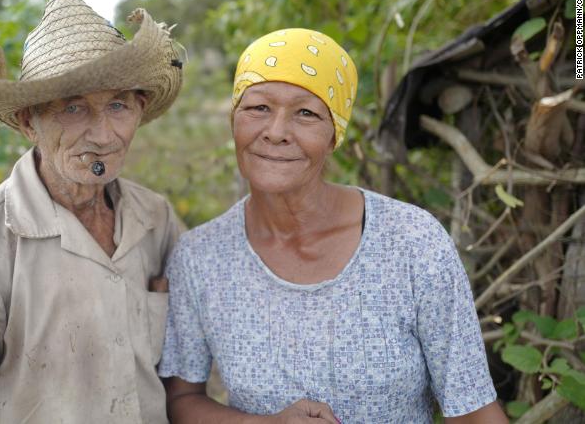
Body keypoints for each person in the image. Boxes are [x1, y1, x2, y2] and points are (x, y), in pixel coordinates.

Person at [158, 28, 508, 423]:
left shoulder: (411, 242)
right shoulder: (201, 257)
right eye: (257, 108)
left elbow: (475, 411)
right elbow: (182, 399)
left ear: (334, 135)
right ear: (233, 120)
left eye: (306, 113)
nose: (275, 132)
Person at [0, 0, 184, 423]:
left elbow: (178, 370)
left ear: (141, 107)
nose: (103, 134)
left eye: (118, 105)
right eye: (74, 108)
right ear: (27, 122)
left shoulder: (157, 218)